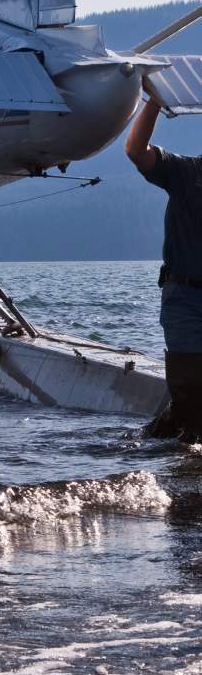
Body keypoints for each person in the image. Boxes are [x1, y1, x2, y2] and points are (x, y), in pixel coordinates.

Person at [125, 93, 202, 437]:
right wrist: (155, 100)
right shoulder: (185, 171)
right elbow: (135, 150)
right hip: (184, 296)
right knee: (187, 391)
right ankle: (170, 453)